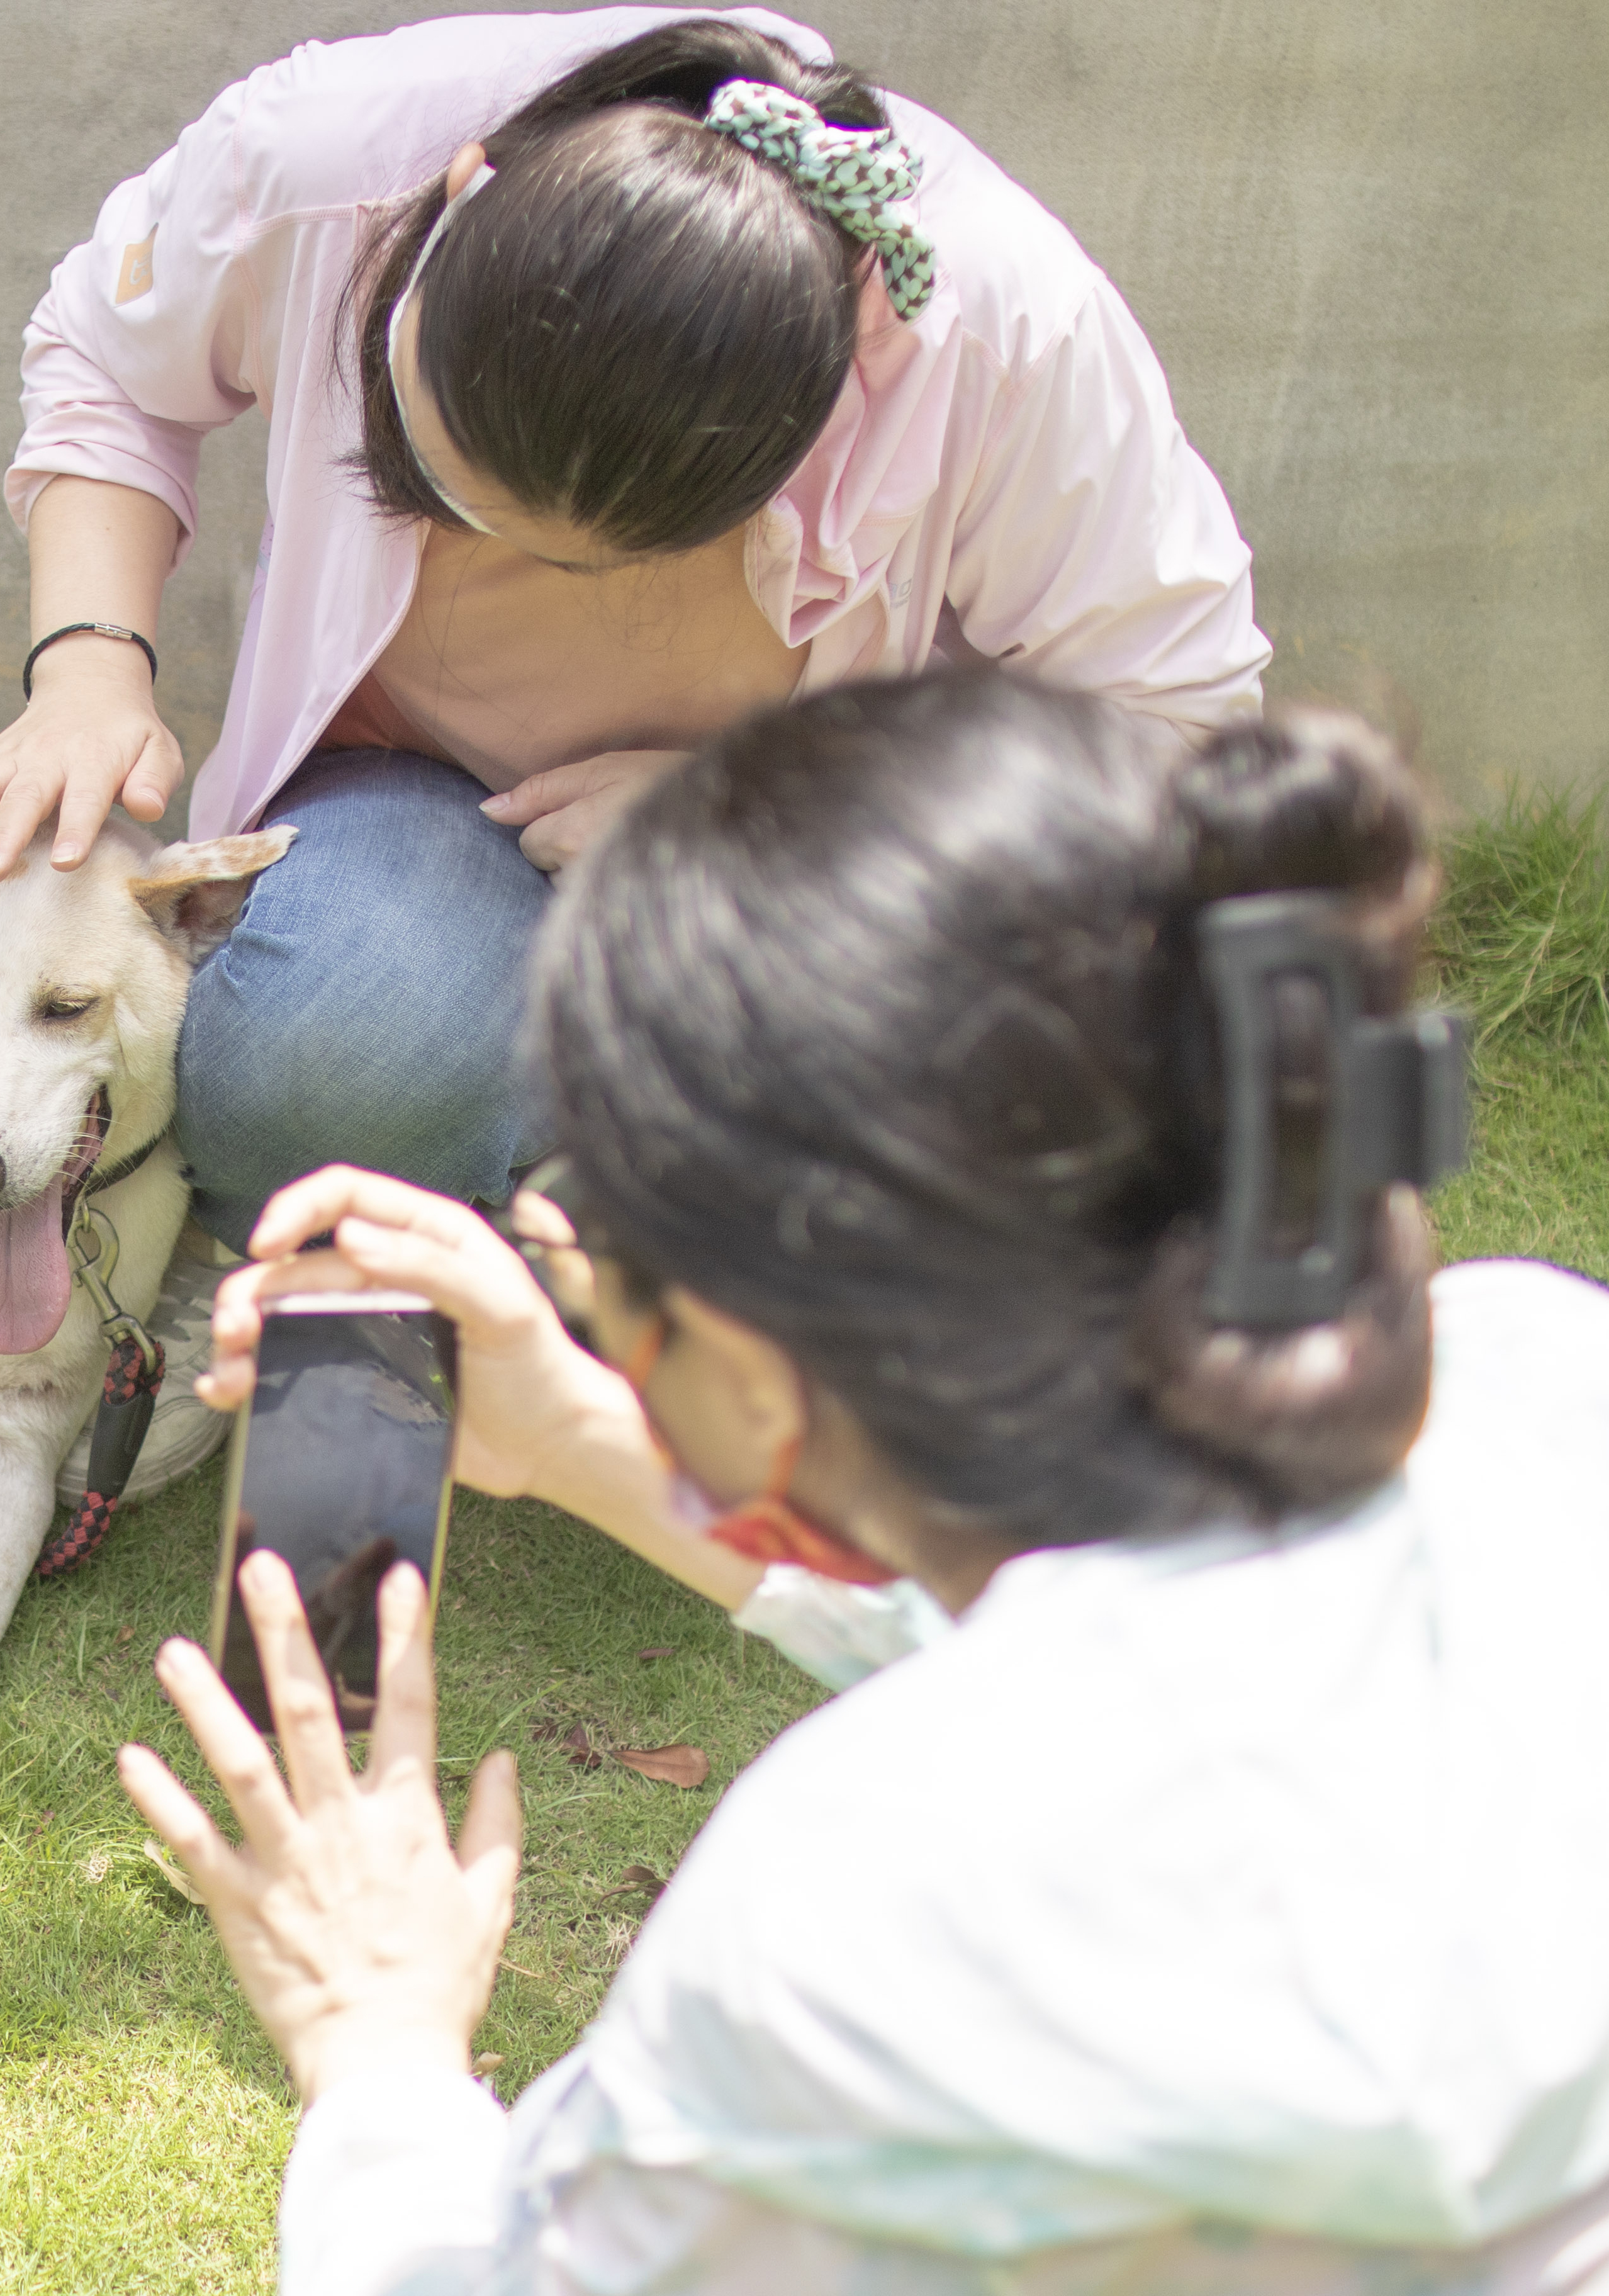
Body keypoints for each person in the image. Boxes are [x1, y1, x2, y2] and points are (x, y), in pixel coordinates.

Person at [119, 672, 1609, 2293]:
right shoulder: (1539, 1380)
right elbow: (1138, 1653)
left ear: (755, 1385)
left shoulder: (854, 1927)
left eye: (585, 1246)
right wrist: (581, 1441)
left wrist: (381, 2041)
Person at [0, 9, 1272, 1495]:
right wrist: (90, 663)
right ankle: (491, 1195)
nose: (488, 555)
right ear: (462, 197)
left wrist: (773, 820)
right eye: (437, 483)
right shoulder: (324, 160)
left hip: (817, 882)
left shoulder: (1001, 331)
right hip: (423, 813)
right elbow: (110, 357)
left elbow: (1174, 723)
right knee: (333, 1051)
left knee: (889, 1357)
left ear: (814, 411)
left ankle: (597, 1203)